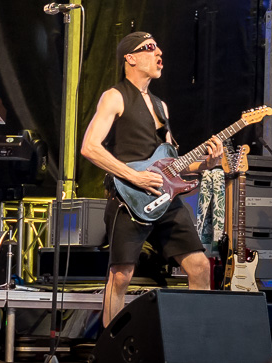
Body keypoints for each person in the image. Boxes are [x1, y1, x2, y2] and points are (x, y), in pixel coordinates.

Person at [80, 31, 223, 326]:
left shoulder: (161, 106)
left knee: (199, 266)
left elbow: (173, 164)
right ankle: (111, 346)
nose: (159, 53)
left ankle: (198, 340)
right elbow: (90, 147)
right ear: (130, 58)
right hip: (129, 197)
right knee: (122, 275)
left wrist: (207, 164)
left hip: (164, 198)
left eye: (158, 48)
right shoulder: (115, 96)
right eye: (149, 48)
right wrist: (136, 177)